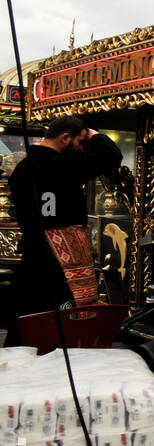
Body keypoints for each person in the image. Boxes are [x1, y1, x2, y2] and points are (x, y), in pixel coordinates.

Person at [9, 115, 122, 313]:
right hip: (62, 260)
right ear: (65, 138)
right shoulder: (66, 165)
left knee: (32, 315)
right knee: (64, 316)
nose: (81, 147)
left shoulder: (20, 170)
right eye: (79, 141)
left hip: (32, 251)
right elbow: (111, 155)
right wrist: (94, 135)